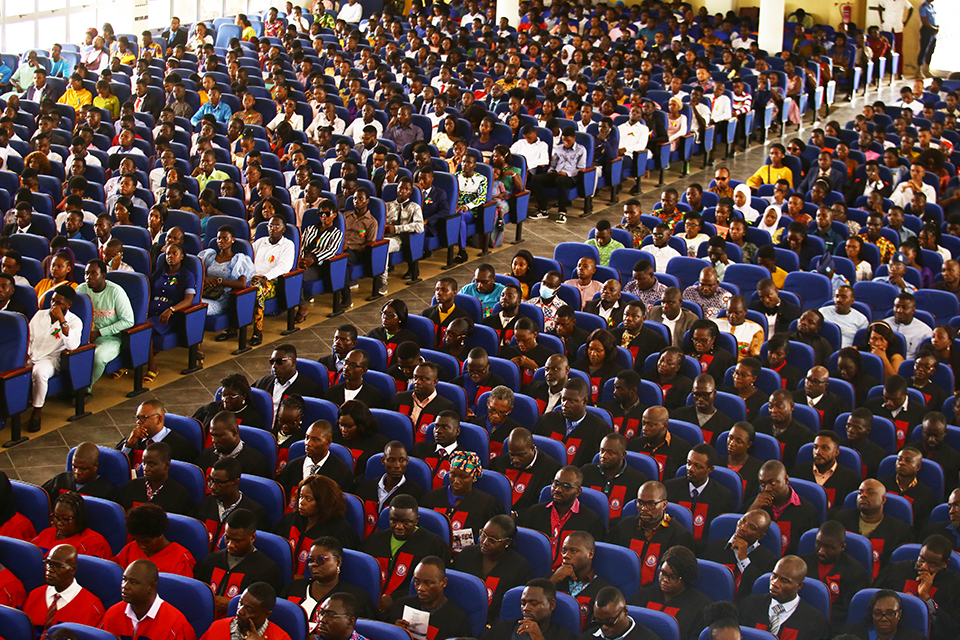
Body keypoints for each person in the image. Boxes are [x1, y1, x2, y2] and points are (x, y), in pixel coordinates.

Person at [361, 494, 450, 613]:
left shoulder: (434, 545)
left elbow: (433, 584)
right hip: (371, 605)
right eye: (393, 520)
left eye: (406, 522)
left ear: (416, 520)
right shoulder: (374, 541)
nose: (398, 526)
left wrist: (393, 599)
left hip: (407, 607)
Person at [194, 508, 282, 615]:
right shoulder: (211, 560)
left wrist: (232, 604)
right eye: (227, 538)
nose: (230, 544)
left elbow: (262, 610)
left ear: (252, 537)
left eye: (237, 541)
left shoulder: (266, 570)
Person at [608, 481, 695, 588]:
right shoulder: (624, 527)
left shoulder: (679, 535)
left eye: (651, 504)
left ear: (664, 505)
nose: (644, 508)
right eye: (640, 502)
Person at [875, 535, 960, 640]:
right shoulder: (896, 570)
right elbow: (874, 600)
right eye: (922, 559)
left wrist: (926, 598)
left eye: (932, 565)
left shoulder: (954, 584)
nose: (924, 566)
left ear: (945, 563)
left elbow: (953, 626)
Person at [273, 474, 360, 577]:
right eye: (301, 497)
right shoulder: (291, 519)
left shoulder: (341, 531)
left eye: (308, 499)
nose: (301, 502)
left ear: (323, 502)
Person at [23, 284, 81, 432]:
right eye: (53, 301)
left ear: (68, 304)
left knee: (39, 372)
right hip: (31, 354)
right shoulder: (40, 315)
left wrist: (62, 321)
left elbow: (72, 345)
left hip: (50, 359)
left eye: (59, 303)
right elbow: (28, 337)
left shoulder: (75, 321)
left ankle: (37, 411)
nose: (54, 305)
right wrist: (24, 356)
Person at [280, 536, 377, 624]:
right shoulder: (294, 588)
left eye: (321, 559)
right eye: (311, 560)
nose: (314, 564)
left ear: (338, 562)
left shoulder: (356, 597)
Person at [736, 556, 831, 640]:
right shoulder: (749, 605)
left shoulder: (814, 621)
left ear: (799, 585)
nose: (775, 583)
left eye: (784, 581)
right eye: (774, 576)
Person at [99, 559, 196, 640]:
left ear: (152, 587)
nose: (125, 586)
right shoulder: (112, 614)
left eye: (133, 583)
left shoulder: (175, 625)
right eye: (124, 580)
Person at [631, 545, 711, 640]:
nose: (665, 580)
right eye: (663, 573)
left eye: (673, 577)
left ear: (686, 578)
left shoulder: (701, 607)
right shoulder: (644, 595)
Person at [77, 259, 134, 391]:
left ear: (103, 275)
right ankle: (70, 386)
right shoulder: (81, 289)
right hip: (85, 335)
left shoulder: (115, 292)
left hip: (111, 338)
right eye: (86, 274)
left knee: (98, 357)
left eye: (93, 274)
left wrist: (100, 332)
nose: (88, 277)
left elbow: (128, 321)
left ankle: (85, 390)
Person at [22, 543, 105, 632]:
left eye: (57, 566)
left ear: (73, 569)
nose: (50, 569)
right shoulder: (35, 595)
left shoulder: (92, 607)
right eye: (48, 563)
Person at [747, 461, 818, 557]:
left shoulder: (806, 510)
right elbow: (738, 534)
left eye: (772, 483)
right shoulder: (755, 504)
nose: (767, 488)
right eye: (763, 485)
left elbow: (807, 548)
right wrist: (753, 509)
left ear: (786, 480)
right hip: (757, 560)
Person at [703, 509, 777, 601]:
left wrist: (743, 559)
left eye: (752, 527)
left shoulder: (767, 559)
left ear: (760, 536)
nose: (742, 528)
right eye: (743, 521)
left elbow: (758, 589)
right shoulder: (714, 547)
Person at [194, 457, 268, 547]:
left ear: (235, 483)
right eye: (211, 480)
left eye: (219, 482)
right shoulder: (206, 503)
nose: (212, 487)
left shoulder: (254, 512)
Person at [489, 426, 562, 513]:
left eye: (521, 455)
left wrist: (518, 515)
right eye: (512, 454)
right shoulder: (499, 463)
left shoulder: (551, 470)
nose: (515, 459)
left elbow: (543, 504)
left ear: (532, 448)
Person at [112, 504, 195, 577]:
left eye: (147, 542)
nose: (142, 546)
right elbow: (115, 573)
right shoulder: (131, 547)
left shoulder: (181, 558)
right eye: (138, 541)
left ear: (160, 535)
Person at [480, 578, 577, 640]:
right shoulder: (502, 630)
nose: (526, 608)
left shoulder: (565, 637)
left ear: (551, 605)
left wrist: (537, 637)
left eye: (534, 604)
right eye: (523, 603)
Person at [250, 216, 295, 346]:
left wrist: (267, 277)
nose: (273, 229)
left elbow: (284, 267)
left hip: (271, 282)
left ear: (283, 229)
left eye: (277, 227)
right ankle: (233, 327)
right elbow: (249, 258)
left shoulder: (287, 245)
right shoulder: (260, 242)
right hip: (253, 278)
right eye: (270, 226)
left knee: (257, 291)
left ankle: (257, 331)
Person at [790, 431, 861, 512]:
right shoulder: (798, 472)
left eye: (825, 448)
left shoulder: (850, 479)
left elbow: (848, 511)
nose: (818, 452)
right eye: (815, 447)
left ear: (836, 452)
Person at [115, 442, 193, 515]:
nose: (145, 468)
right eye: (144, 463)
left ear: (166, 465)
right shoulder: (131, 487)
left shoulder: (179, 495)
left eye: (151, 465)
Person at [530, 127, 587, 224]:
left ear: (574, 138)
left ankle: (562, 212)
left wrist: (567, 173)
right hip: (557, 174)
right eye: (564, 140)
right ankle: (543, 209)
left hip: (570, 177)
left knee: (561, 180)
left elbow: (581, 168)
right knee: (536, 179)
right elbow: (553, 164)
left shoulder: (581, 150)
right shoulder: (559, 148)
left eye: (568, 141)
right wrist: (551, 171)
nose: (566, 143)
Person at [252, 344, 323, 421]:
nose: (274, 366)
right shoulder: (263, 382)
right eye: (272, 362)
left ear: (293, 362)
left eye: (279, 362)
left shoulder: (309, 389)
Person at [199, 582, 291, 640]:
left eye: (249, 609)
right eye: (240, 604)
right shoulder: (217, 627)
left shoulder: (281, 638)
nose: (240, 611)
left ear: (266, 614)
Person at [32, 491, 111, 558]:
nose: (59, 523)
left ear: (79, 518)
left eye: (65, 519)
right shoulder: (47, 533)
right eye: (56, 517)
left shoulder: (95, 544)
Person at [881, 446, 938, 531]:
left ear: (918, 467)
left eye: (908, 461)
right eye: (899, 459)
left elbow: (921, 526)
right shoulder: (882, 485)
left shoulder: (926, 495)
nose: (902, 463)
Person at [40, 442, 113, 502]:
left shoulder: (105, 491)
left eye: (83, 469)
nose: (77, 472)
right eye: (74, 467)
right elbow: (40, 496)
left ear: (95, 467)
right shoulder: (60, 480)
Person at [847, 589, 926, 640]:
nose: (884, 619)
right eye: (878, 613)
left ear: (899, 614)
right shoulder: (852, 634)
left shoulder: (915, 638)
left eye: (890, 613)